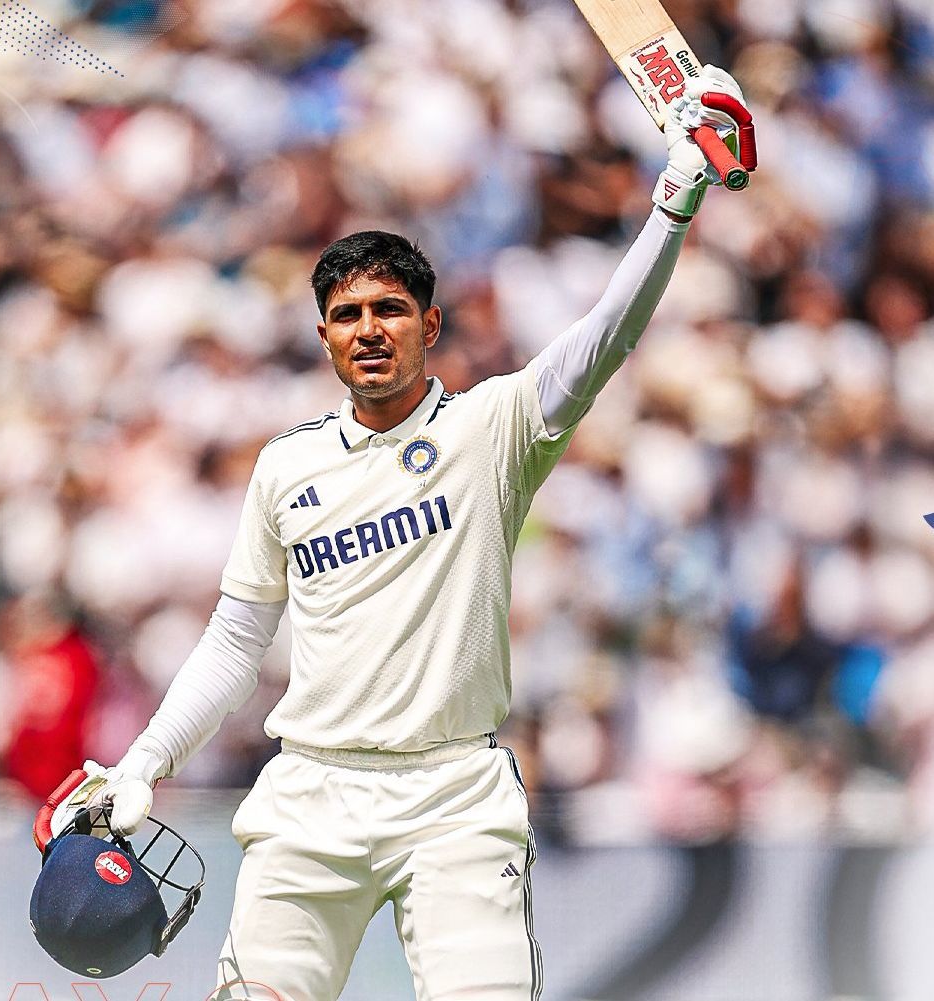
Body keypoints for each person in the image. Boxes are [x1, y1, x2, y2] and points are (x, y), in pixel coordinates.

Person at [63, 67, 754, 1000]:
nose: (369, 330)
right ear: (323, 337)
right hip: (311, 792)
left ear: (429, 324)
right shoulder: (286, 466)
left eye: (389, 309)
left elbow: (604, 335)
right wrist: (145, 762)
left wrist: (673, 201)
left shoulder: (492, 428)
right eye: (347, 315)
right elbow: (235, 639)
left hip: (454, 796)